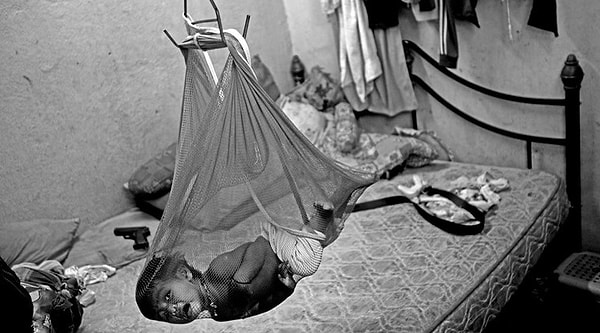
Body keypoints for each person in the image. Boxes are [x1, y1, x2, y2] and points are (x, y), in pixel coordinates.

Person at [136, 201, 334, 323]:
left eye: (168, 297)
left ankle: (321, 219)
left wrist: (243, 277)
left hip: (273, 242)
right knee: (300, 269)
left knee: (305, 264)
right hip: (283, 268)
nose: (171, 309)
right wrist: (285, 289)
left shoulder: (217, 272)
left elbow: (256, 247)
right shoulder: (218, 314)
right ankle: (311, 229)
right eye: (164, 315)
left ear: (184, 274)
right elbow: (258, 308)